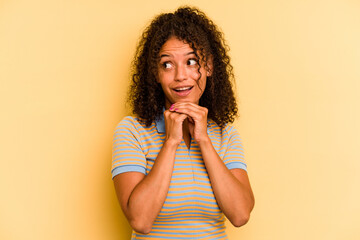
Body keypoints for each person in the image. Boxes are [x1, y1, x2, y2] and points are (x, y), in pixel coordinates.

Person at [111, 6, 255, 239]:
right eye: (167, 64)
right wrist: (170, 143)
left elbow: (240, 215)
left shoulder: (225, 134)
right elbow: (141, 220)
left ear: (208, 66)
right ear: (156, 74)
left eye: (191, 62)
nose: (180, 75)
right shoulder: (131, 131)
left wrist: (204, 141)